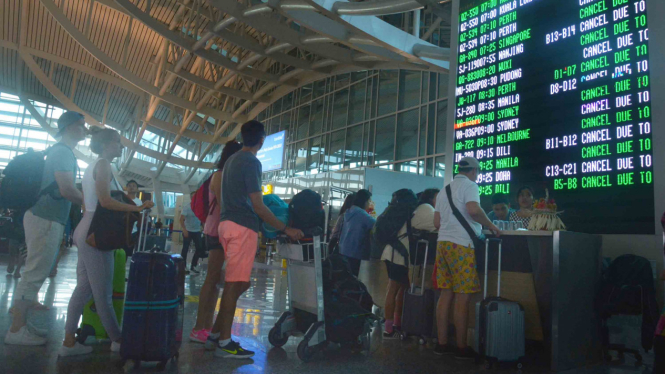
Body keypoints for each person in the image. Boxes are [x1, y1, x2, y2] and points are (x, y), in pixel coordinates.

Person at [205, 121, 303, 359]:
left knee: (241, 283)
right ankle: (226, 343)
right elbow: (258, 205)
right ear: (262, 140)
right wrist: (285, 228)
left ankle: (217, 333)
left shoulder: (231, 161)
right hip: (242, 227)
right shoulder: (251, 162)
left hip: (226, 225)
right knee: (233, 283)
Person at [59, 128, 154, 356]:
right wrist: (137, 207)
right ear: (107, 144)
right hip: (96, 233)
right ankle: (119, 340)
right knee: (103, 293)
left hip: (87, 228)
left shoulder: (95, 165)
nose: (121, 147)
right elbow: (105, 201)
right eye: (118, 143)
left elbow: (91, 202)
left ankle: (69, 341)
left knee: (84, 288)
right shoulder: (103, 165)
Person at [5, 111, 87, 346]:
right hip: (45, 218)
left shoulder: (61, 151)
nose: (84, 129)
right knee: (33, 274)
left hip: (45, 217)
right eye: (80, 125)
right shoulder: (62, 152)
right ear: (69, 127)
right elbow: (67, 190)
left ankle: (21, 323)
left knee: (35, 272)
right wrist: (92, 204)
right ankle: (16, 330)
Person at [433, 157, 500, 359]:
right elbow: (473, 210)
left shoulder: (443, 191)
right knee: (463, 297)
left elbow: (436, 222)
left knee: (446, 294)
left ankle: (442, 344)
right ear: (474, 171)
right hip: (461, 245)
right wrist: (491, 225)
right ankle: (461, 347)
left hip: (442, 245)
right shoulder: (471, 186)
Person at [189, 140, 242, 344]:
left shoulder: (225, 176)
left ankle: (207, 325)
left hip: (222, 230)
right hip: (217, 231)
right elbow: (224, 204)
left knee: (215, 281)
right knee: (211, 279)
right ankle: (198, 327)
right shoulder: (219, 176)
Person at [380, 188, 439, 339]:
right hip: (397, 254)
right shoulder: (426, 209)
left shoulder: (416, 209)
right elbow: (439, 225)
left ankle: (397, 324)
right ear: (432, 198)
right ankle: (388, 329)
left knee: (402, 287)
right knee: (393, 288)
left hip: (394, 252)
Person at [338, 189, 376, 277]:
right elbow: (377, 225)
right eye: (369, 201)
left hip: (344, 250)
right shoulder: (362, 214)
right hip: (355, 252)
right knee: (353, 278)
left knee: (346, 276)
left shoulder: (349, 211)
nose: (369, 204)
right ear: (365, 201)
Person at [180, 199, 204, 274]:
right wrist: (184, 229)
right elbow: (181, 219)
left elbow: (202, 218)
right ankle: (183, 266)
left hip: (197, 231)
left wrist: (204, 227)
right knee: (185, 248)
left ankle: (193, 266)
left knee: (199, 248)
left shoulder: (200, 207)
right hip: (188, 230)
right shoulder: (187, 207)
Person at [125, 180, 144, 258]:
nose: (131, 187)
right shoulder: (123, 199)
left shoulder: (139, 202)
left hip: (133, 231)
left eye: (134, 186)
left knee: (129, 251)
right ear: (126, 188)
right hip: (122, 229)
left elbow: (140, 216)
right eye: (129, 185)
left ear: (137, 189)